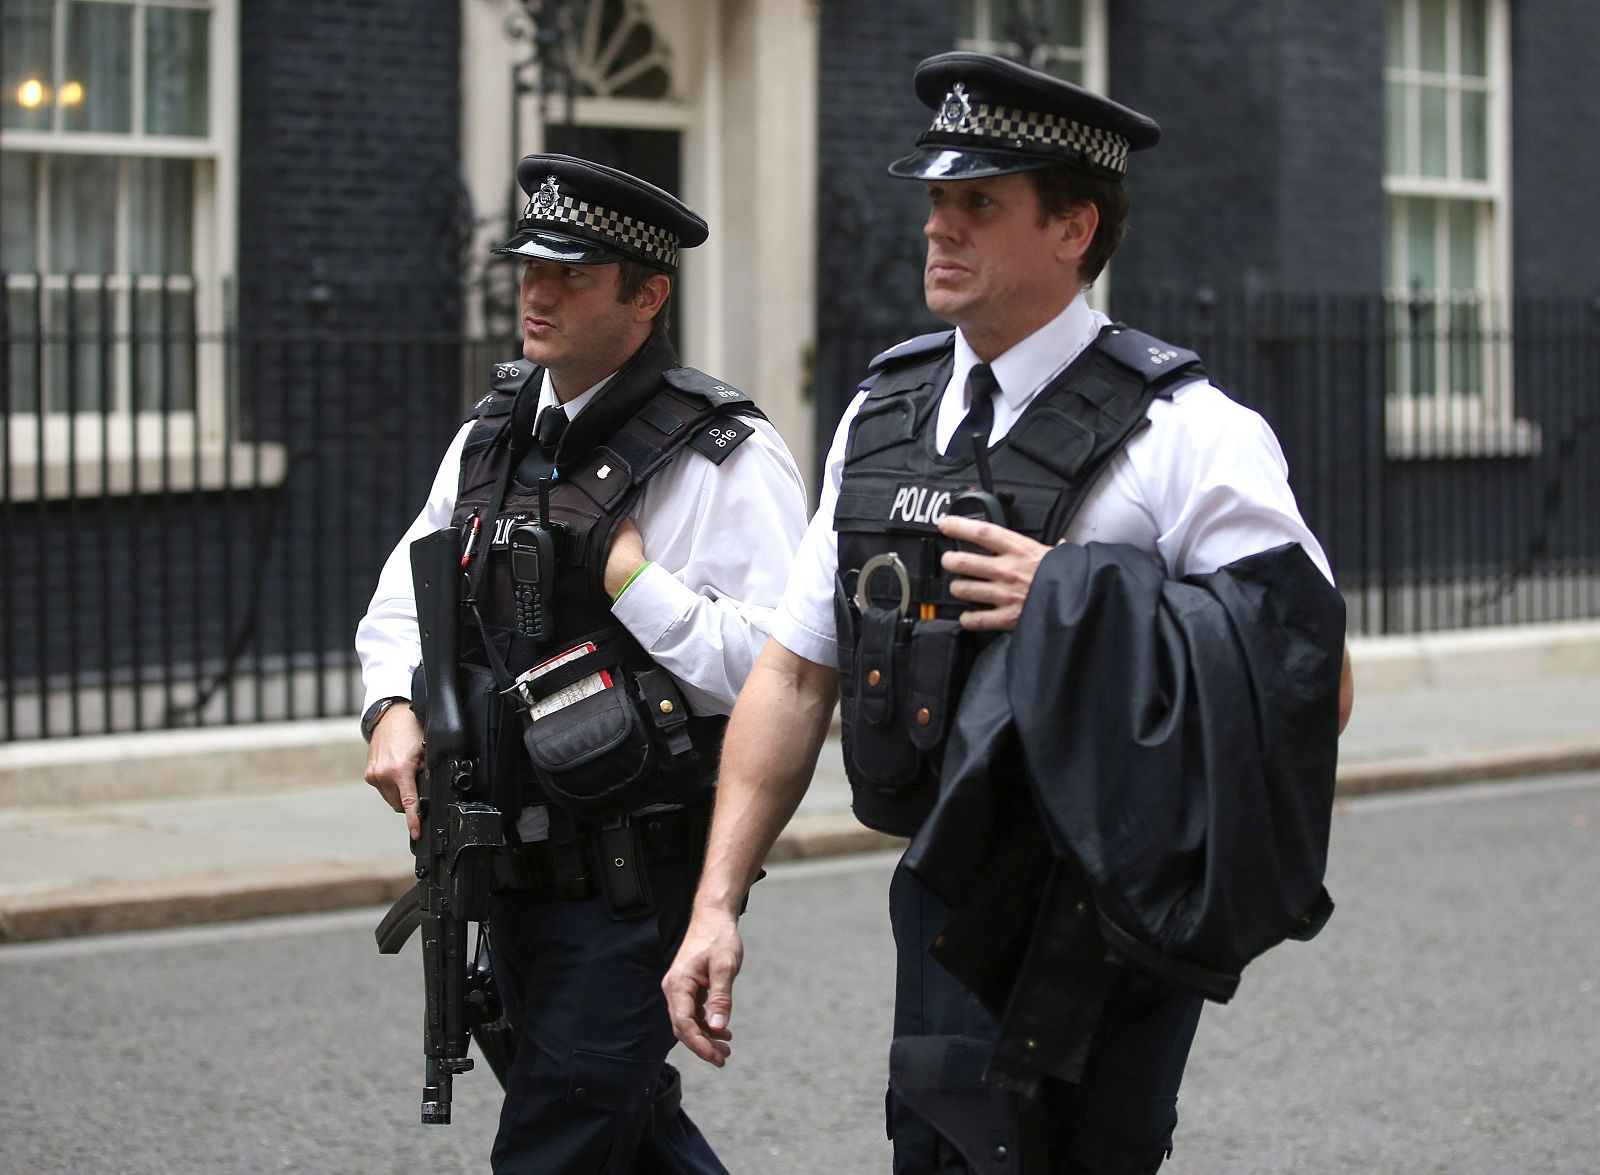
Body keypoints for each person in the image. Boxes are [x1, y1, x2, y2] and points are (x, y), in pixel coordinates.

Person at [663, 52, 1356, 1173]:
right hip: (946, 891)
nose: (938, 226)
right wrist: (715, 903)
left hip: (1109, 911)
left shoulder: (1188, 432)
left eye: (979, 202)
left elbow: (1311, 674)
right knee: (940, 1151)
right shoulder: (879, 420)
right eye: (936, 197)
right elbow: (793, 674)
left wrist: (1077, 597)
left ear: (1074, 228)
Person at [356, 153, 808, 1174]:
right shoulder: (488, 437)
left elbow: (775, 671)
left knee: (555, 1144)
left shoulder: (721, 453)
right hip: (507, 865)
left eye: (571, 273)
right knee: (625, 1135)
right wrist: (391, 704)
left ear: (647, 296)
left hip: (630, 881)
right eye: (530, 267)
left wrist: (629, 578)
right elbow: (403, 596)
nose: (538, 291)